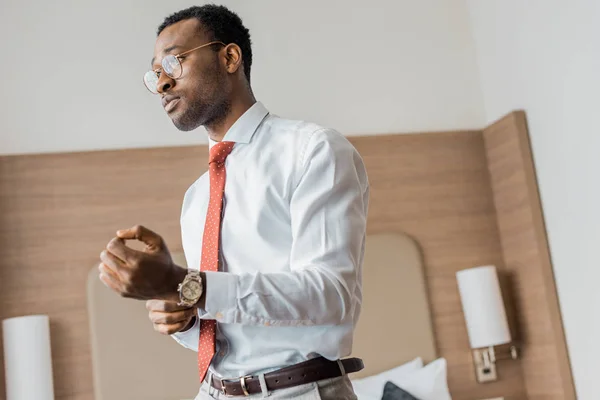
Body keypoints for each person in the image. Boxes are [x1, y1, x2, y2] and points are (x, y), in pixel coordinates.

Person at [98, 4, 369, 399]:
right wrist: (184, 315)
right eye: (155, 73)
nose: (162, 84)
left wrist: (187, 284)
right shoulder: (196, 197)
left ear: (228, 57)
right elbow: (220, 328)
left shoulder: (313, 150)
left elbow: (330, 295)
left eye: (173, 63)